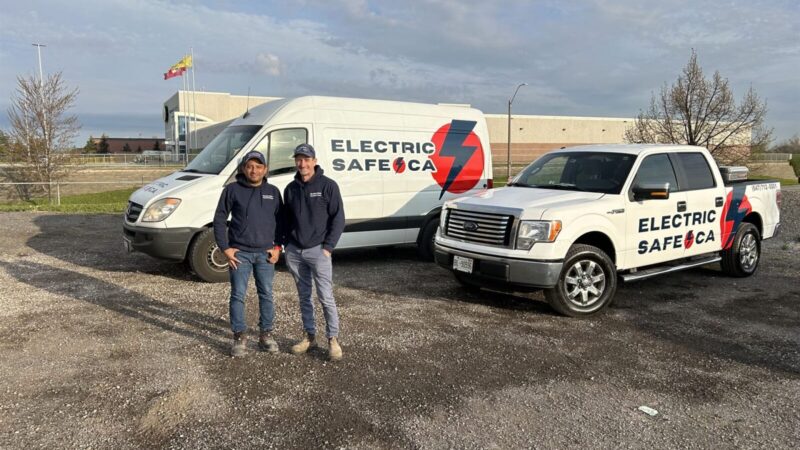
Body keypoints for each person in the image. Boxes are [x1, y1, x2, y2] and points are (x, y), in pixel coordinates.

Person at [213, 150, 283, 357]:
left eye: (258, 166)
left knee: (267, 295)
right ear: (244, 168)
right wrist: (225, 248)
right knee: (238, 295)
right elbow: (219, 219)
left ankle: (266, 335)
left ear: (265, 169)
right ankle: (239, 336)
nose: (254, 170)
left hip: (265, 255)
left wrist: (278, 247)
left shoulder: (273, 191)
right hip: (240, 254)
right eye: (250, 166)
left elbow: (282, 222)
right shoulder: (232, 190)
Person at [283, 143, 345, 361]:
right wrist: (286, 244)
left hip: (318, 251)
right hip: (295, 252)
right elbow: (285, 219)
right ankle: (309, 337)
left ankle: (333, 340)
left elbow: (338, 218)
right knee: (304, 297)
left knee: (326, 297)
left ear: (314, 161)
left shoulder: (328, 186)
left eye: (307, 159)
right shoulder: (290, 189)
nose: (303, 164)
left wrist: (328, 248)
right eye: (299, 160)